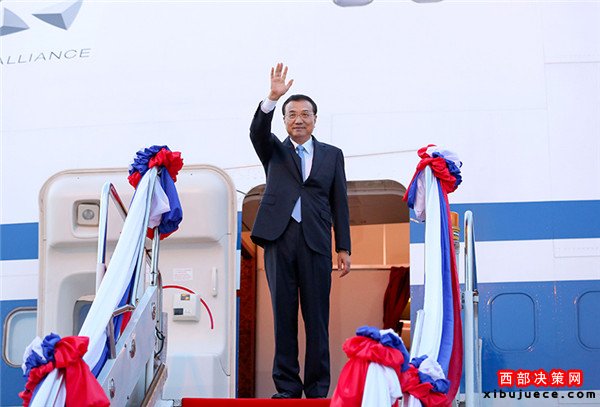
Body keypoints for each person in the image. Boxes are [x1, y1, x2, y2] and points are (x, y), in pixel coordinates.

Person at [249, 63, 352, 399]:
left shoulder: (332, 155)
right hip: (279, 239)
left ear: (315, 119)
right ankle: (288, 388)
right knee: (284, 316)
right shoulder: (273, 149)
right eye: (291, 114)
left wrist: (343, 247)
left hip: (316, 241)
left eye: (305, 114)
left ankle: (318, 389)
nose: (298, 119)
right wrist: (271, 98)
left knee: (317, 317)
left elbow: (339, 202)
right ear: (284, 120)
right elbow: (257, 132)